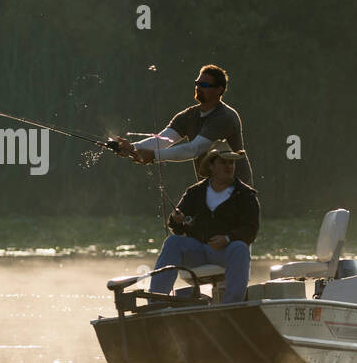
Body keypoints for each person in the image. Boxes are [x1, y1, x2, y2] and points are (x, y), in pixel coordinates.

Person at [148, 140, 259, 301]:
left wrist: (227, 239)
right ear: (211, 166)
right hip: (198, 251)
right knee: (173, 242)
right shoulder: (195, 192)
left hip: (226, 252)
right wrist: (176, 220)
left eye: (231, 163)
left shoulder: (246, 195)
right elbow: (175, 226)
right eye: (223, 162)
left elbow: (251, 230)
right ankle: (155, 302)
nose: (229, 167)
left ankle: (231, 305)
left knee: (240, 247)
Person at [111, 64, 253, 185]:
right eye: (197, 83)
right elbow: (162, 141)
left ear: (219, 90)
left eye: (204, 85)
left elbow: (193, 149)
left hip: (237, 189)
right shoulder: (188, 116)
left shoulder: (224, 117)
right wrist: (131, 148)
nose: (198, 87)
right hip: (208, 187)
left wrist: (154, 156)